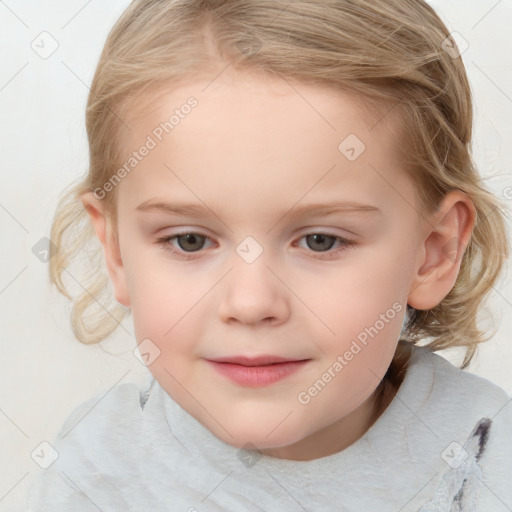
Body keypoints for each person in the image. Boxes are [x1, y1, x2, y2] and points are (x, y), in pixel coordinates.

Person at [27, 0, 512, 510]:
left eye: (321, 240)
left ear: (433, 252)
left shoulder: (488, 463)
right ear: (117, 252)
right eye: (189, 240)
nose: (251, 302)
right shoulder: (96, 473)